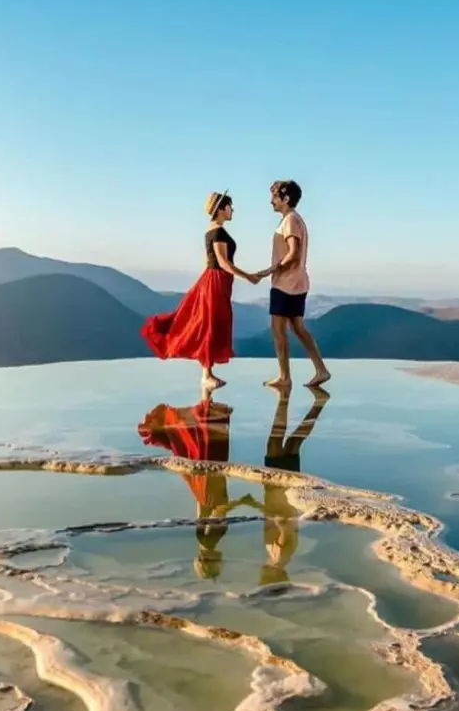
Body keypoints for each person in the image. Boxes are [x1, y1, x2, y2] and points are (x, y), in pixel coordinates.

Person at [141, 190, 260, 390]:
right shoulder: (218, 232)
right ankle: (206, 374)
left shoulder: (211, 230)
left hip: (213, 280)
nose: (233, 210)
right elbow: (222, 262)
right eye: (230, 206)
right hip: (216, 280)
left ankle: (208, 372)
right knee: (210, 324)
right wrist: (248, 276)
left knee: (209, 322)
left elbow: (211, 260)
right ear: (221, 209)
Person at [137, 389, 255, 580]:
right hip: (205, 490)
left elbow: (219, 511)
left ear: (210, 561)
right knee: (206, 447)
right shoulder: (201, 538)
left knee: (212, 448)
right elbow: (202, 508)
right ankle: (206, 399)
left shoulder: (210, 540)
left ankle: (207, 400)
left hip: (212, 489)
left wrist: (245, 501)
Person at [246, 385, 330, 585]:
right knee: (276, 440)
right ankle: (284, 396)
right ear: (271, 576)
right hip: (278, 487)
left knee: (294, 442)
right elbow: (284, 524)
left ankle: (319, 404)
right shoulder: (280, 555)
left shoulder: (283, 556)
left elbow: (278, 520)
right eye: (263, 578)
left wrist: (254, 506)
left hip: (286, 492)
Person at [254, 180, 331, 389]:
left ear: (285, 199)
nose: (271, 201)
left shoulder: (290, 221)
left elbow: (293, 253)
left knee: (278, 329)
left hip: (285, 284)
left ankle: (284, 377)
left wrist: (269, 270)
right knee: (298, 327)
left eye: (274, 197)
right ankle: (320, 370)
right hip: (298, 283)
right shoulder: (296, 220)